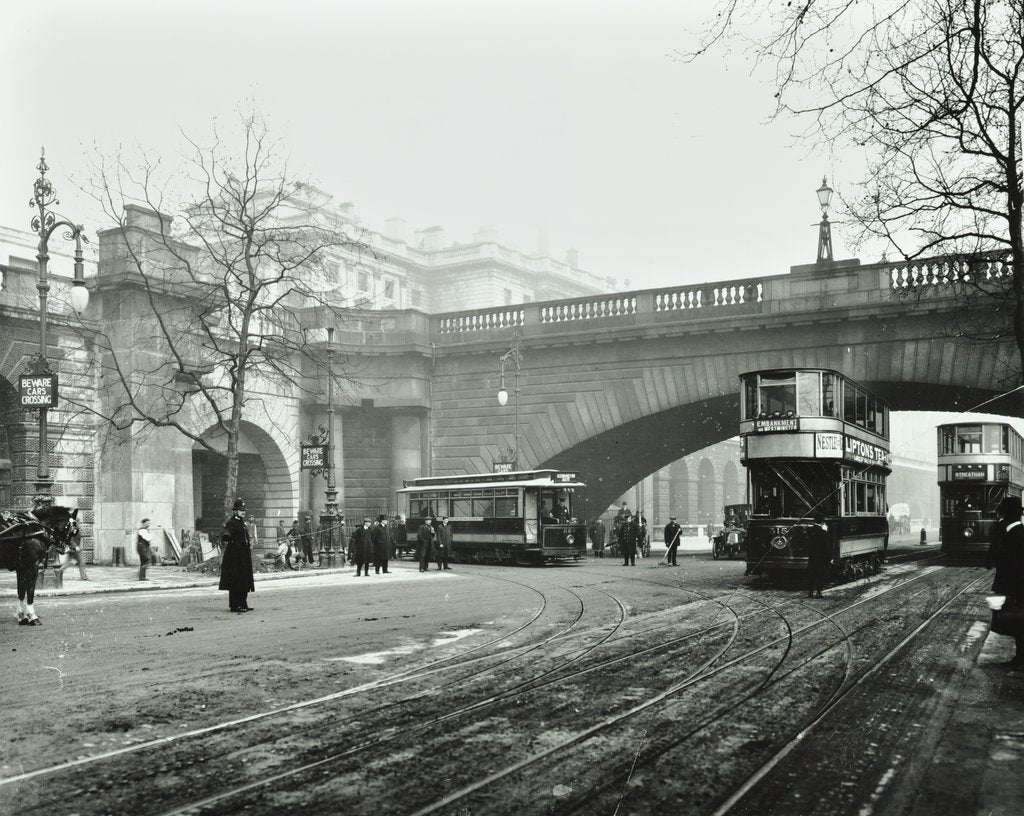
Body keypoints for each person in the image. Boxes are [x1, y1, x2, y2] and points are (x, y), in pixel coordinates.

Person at [990, 495, 1024, 667]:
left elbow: (1007, 562)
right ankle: (1019, 657)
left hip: (1016, 587)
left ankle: (1020, 659)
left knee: (1018, 623)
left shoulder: (1015, 535)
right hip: (1015, 586)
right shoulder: (1013, 532)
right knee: (1017, 624)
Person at [219, 498, 255, 613]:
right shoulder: (232, 522)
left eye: (244, 509)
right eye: (241, 510)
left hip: (243, 556)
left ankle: (243, 604)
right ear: (235, 511)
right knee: (235, 581)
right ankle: (235, 605)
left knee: (244, 580)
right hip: (235, 557)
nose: (243, 512)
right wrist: (226, 535)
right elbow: (227, 531)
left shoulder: (242, 523)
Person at [805, 517, 832, 598]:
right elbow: (826, 547)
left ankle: (810, 592)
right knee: (819, 575)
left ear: (814, 521)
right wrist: (829, 557)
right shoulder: (823, 532)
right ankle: (818, 593)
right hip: (821, 557)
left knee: (811, 574)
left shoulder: (809, 531)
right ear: (822, 522)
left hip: (811, 556)